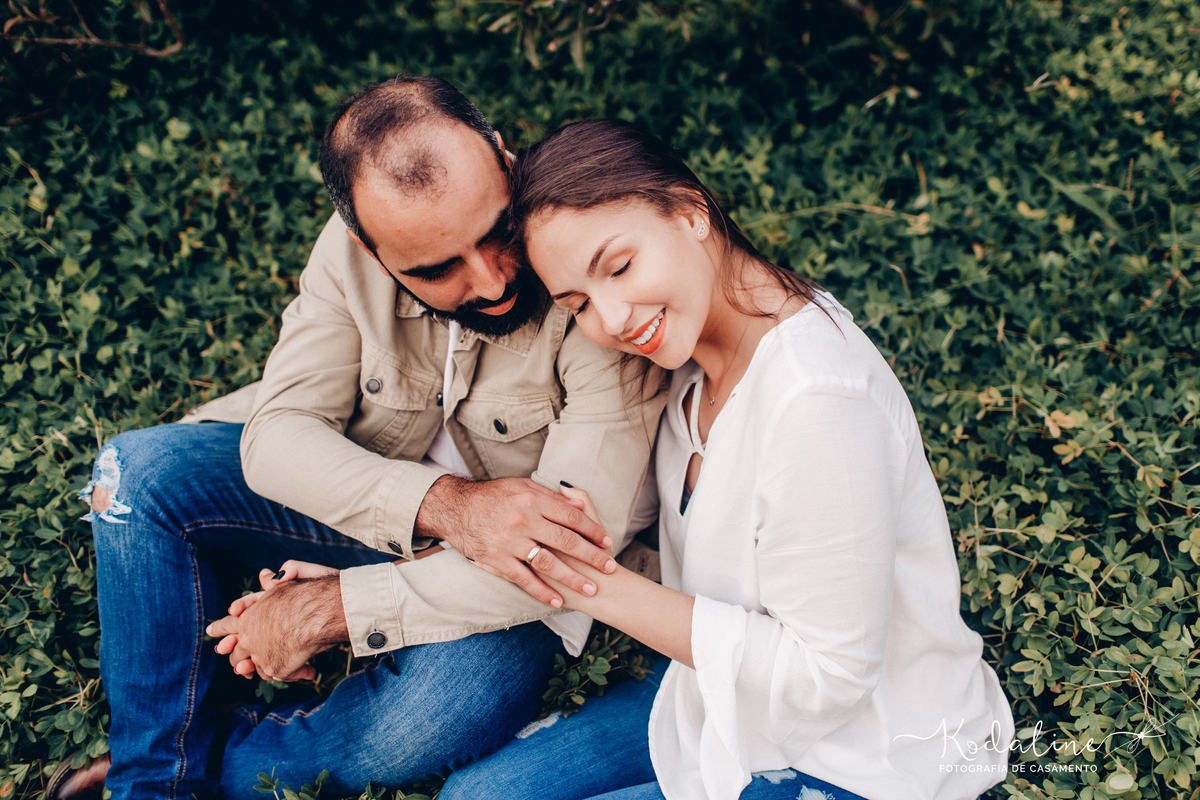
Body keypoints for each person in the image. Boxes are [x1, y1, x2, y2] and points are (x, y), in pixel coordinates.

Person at [56, 80, 665, 800]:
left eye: (497, 231)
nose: (493, 281)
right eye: (435, 269)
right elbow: (278, 437)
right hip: (369, 500)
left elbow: (570, 547)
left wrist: (331, 608)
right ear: (368, 247)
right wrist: (450, 507)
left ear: (504, 159)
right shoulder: (348, 255)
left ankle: (171, 763)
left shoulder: (584, 276)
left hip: (500, 578)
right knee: (136, 475)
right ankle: (154, 784)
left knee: (442, 712)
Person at [436, 119, 1015, 800]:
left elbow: (830, 677)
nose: (613, 319)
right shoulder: (686, 355)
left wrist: (597, 584)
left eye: (619, 267)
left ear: (691, 212)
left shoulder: (815, 400)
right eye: (579, 303)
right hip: (722, 699)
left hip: (866, 750)